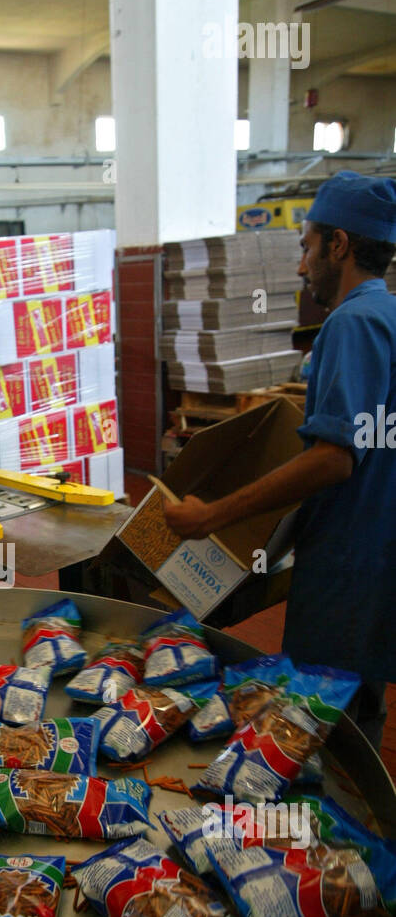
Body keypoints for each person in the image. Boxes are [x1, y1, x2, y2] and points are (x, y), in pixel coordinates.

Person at [164, 171, 396, 750]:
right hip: (377, 564)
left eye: (307, 246)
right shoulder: (390, 316)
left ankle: (329, 839)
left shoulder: (352, 322)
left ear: (338, 245)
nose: (301, 266)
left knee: (313, 739)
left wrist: (211, 516)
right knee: (358, 727)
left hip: (346, 570)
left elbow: (334, 460)